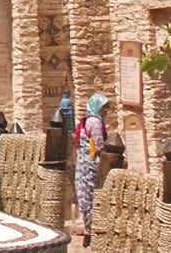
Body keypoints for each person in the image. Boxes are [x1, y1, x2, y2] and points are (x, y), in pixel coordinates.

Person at [73, 92, 109, 245]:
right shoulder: (94, 122)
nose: (106, 111)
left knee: (86, 195)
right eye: (104, 108)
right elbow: (99, 144)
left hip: (83, 162)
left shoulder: (87, 120)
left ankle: (89, 230)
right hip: (92, 164)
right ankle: (93, 230)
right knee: (94, 195)